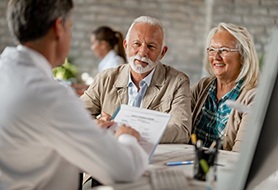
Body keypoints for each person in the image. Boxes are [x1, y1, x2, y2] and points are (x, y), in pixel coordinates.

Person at [0, 1, 148, 190]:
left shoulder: (6, 70)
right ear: (58, 27)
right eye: (70, 27)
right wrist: (127, 137)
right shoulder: (50, 96)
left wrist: (86, 129)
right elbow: (126, 169)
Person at [81, 16, 192, 144]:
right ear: (126, 45)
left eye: (151, 46)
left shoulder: (178, 82)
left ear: (162, 53)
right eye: (137, 44)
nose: (142, 52)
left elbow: (182, 130)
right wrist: (97, 123)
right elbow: (75, 114)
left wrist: (134, 132)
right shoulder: (105, 78)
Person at [191, 22, 260, 151]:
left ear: (243, 57)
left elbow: (239, 155)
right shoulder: (203, 86)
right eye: (212, 50)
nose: (216, 57)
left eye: (224, 50)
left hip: (224, 169)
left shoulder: (253, 98)